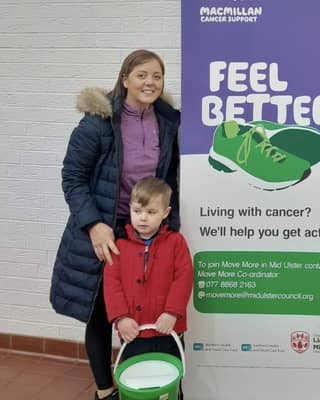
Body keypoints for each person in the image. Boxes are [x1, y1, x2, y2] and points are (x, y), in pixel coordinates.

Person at [49, 49, 181, 400]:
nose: (149, 82)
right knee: (101, 311)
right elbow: (72, 178)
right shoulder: (98, 122)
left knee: (143, 308)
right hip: (105, 229)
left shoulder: (168, 122)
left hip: (146, 229)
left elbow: (172, 179)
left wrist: (170, 226)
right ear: (125, 79)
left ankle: (143, 383)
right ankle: (105, 391)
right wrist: (93, 225)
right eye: (141, 75)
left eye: (156, 75)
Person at [103, 176, 193, 399]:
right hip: (132, 332)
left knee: (169, 380)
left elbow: (184, 278)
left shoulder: (176, 242)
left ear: (165, 212)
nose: (143, 218)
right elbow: (111, 284)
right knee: (137, 381)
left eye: (151, 212)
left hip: (168, 330)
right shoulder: (120, 245)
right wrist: (121, 318)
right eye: (137, 211)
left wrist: (172, 313)